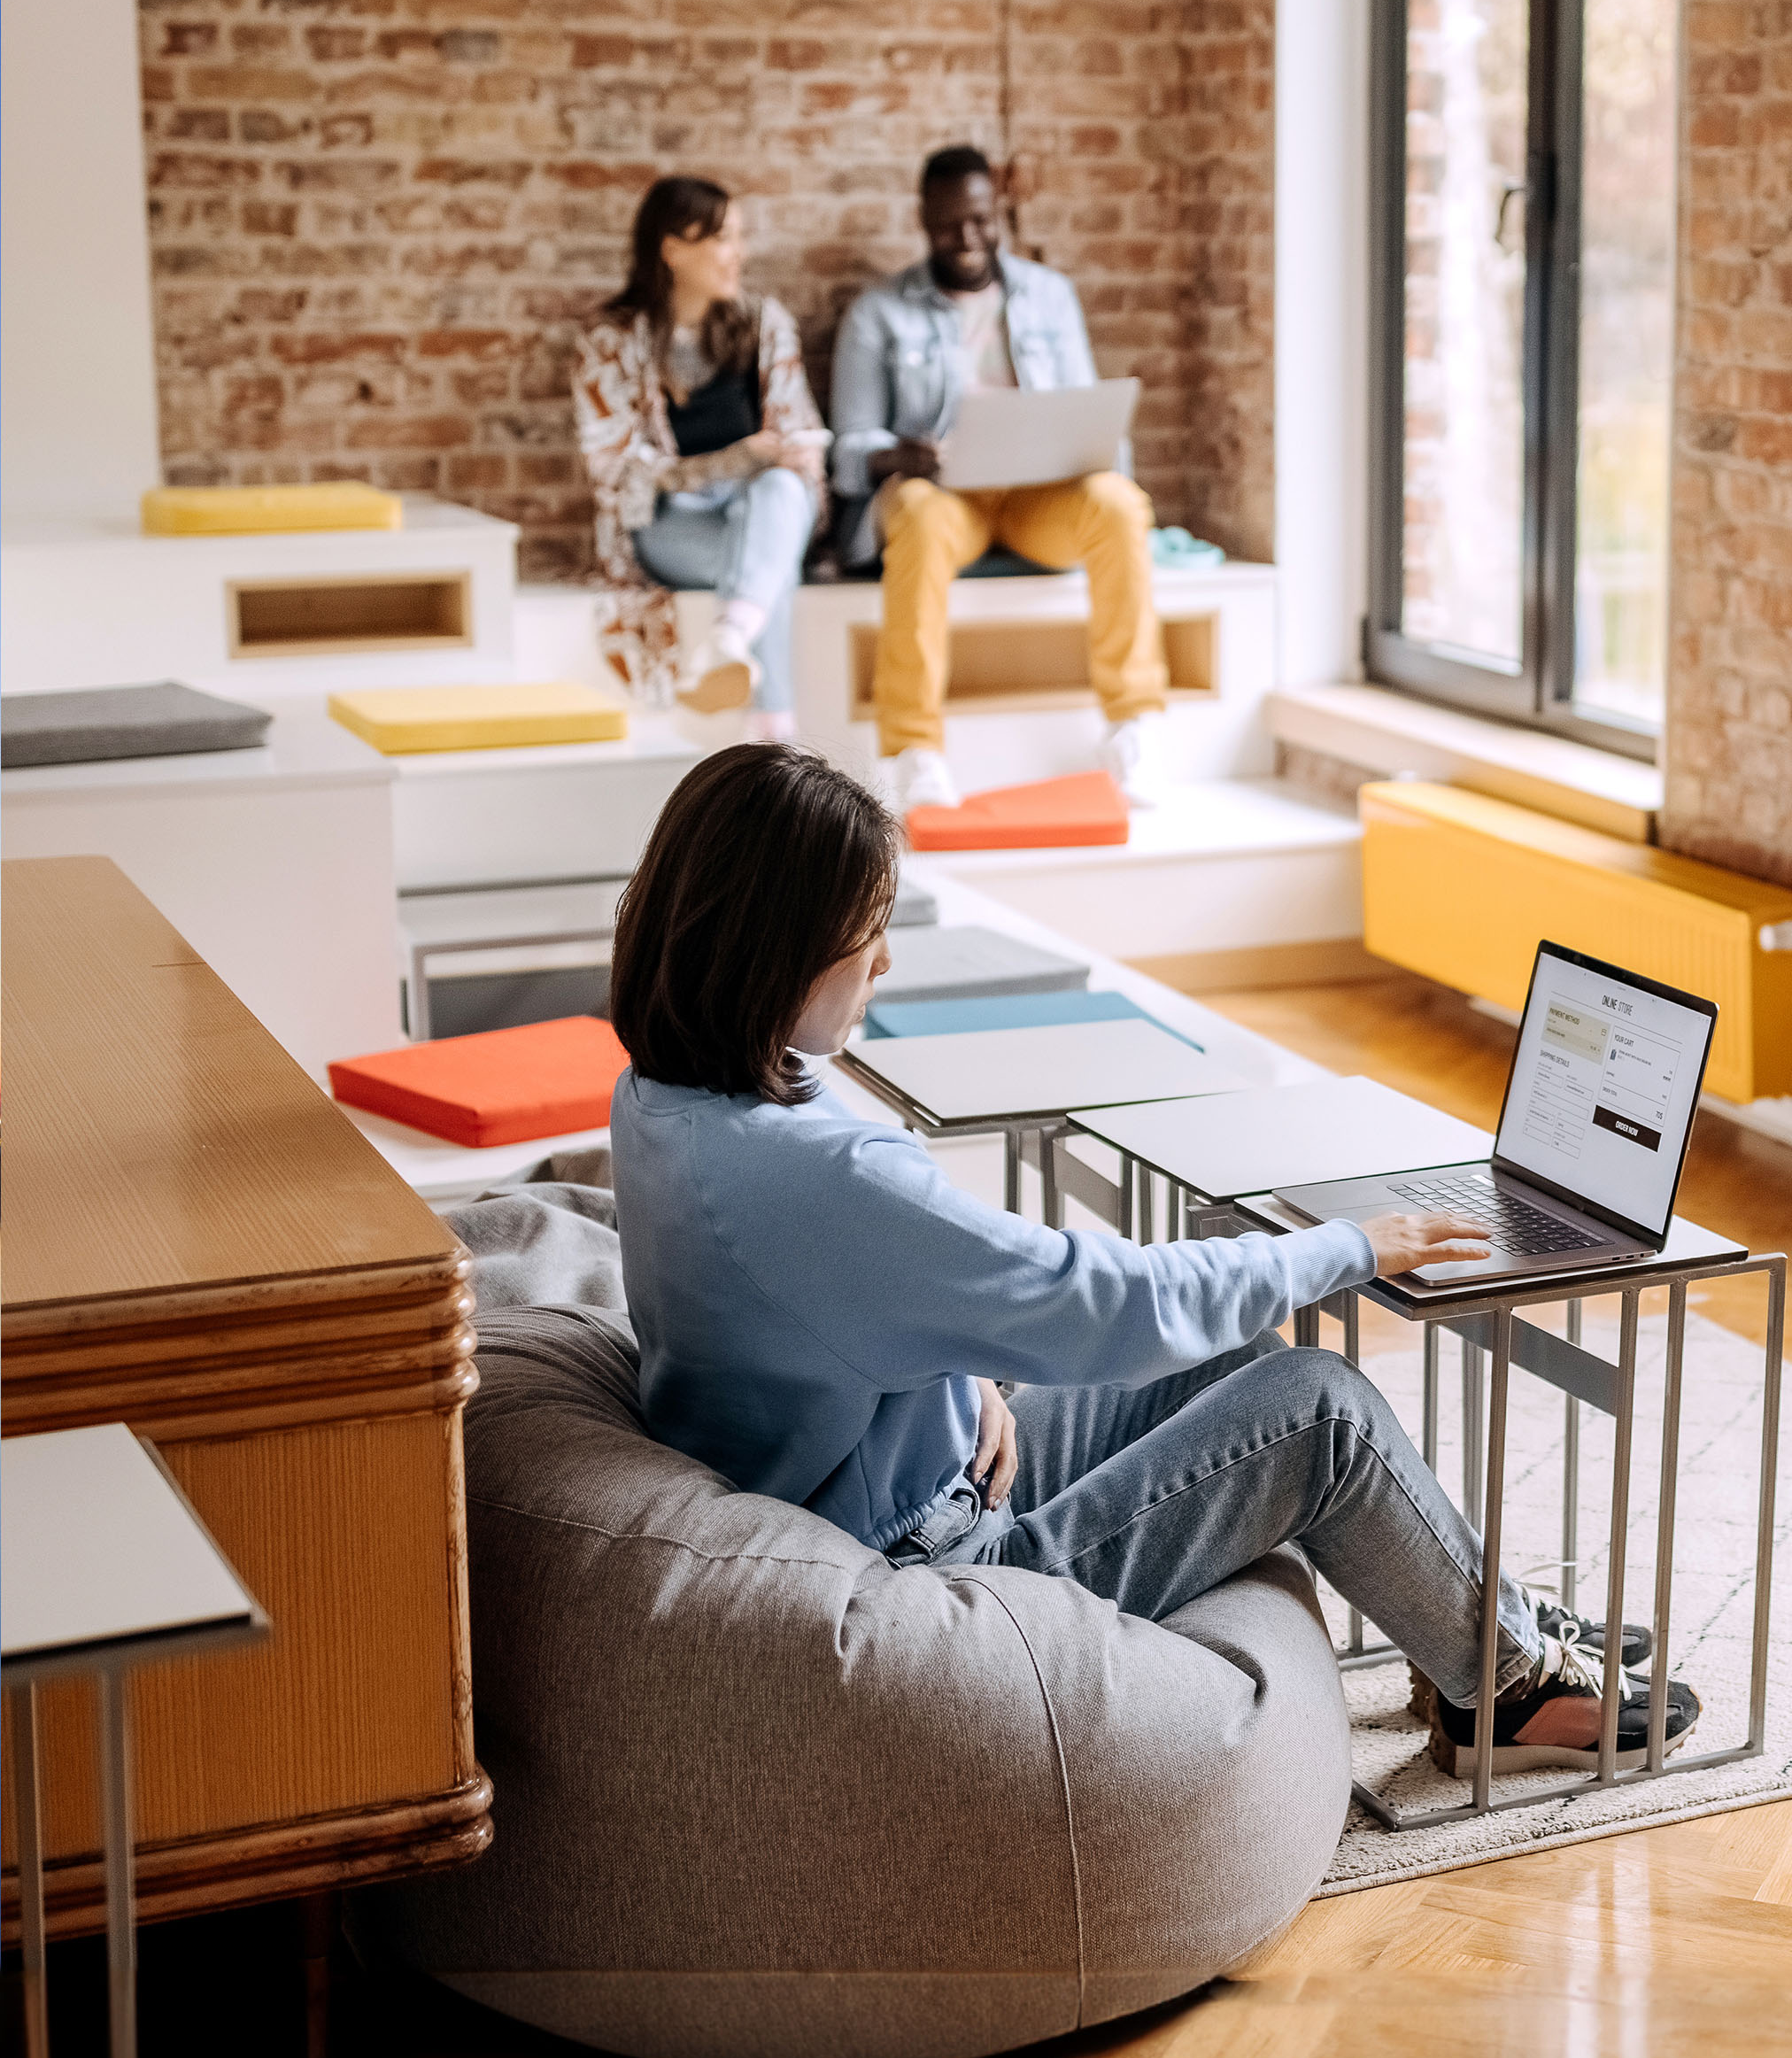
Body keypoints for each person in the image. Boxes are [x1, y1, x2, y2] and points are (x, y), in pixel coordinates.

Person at [603, 741, 1700, 1776]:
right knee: (1318, 1409)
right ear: (776, 950)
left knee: (1230, 1357)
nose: (885, 957)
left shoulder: (674, 1093)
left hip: (893, 1473)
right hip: (937, 1569)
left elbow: (839, 1298)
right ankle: (1501, 1695)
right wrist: (1349, 1246)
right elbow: (1100, 1305)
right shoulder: (817, 1171)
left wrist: (960, 1367)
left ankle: (1484, 1616)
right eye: (866, 930)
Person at [830, 146, 1170, 813]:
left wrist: (1091, 448)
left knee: (1120, 504)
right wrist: (904, 455)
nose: (968, 239)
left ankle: (1135, 725)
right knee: (920, 515)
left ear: (1000, 215)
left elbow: (1081, 410)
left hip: (1038, 498)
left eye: (982, 221)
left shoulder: (1049, 295)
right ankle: (913, 750)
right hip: (944, 498)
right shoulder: (878, 314)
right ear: (923, 220)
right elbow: (846, 451)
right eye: (950, 224)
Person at [573, 176, 827, 737]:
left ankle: (731, 639)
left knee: (777, 496)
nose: (741, 254)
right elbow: (614, 472)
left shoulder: (765, 326)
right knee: (769, 561)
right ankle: (775, 734)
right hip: (675, 527)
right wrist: (731, 461)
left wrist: (787, 457)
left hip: (766, 510)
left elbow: (801, 440)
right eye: (724, 239)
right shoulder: (610, 344)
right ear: (672, 249)